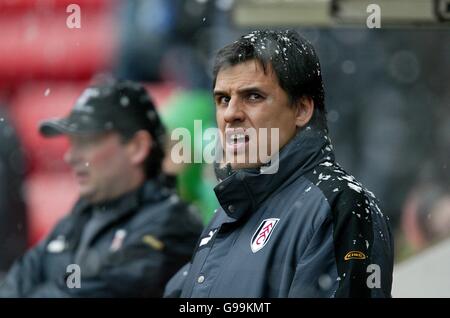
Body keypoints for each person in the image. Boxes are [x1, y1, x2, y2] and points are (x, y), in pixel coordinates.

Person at [164, 30, 394, 298]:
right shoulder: (223, 215)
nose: (230, 114)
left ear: (301, 110)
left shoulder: (339, 205)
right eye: (223, 99)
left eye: (253, 97)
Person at [0, 79, 203, 297]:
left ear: (137, 147)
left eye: (87, 142)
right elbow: (16, 283)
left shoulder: (172, 225)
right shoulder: (76, 220)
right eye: (72, 143)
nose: (71, 156)